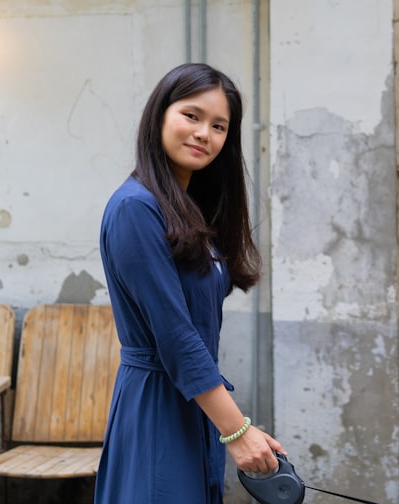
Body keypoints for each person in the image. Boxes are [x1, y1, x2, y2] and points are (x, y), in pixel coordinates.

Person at [95, 62, 284, 504]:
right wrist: (236, 430)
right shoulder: (135, 209)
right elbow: (176, 336)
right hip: (158, 407)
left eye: (219, 126)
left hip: (194, 403)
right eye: (192, 116)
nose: (204, 134)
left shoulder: (188, 212)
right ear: (160, 114)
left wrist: (235, 426)